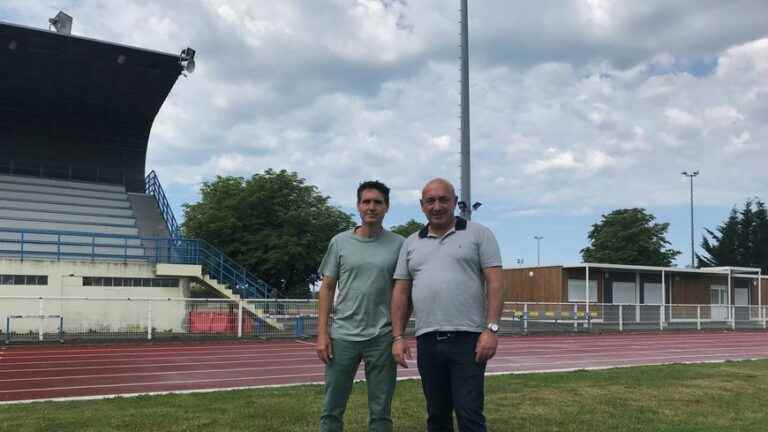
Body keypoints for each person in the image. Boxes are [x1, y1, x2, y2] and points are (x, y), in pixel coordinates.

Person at [390, 178, 503, 432]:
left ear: (454, 202)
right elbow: (401, 292)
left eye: (443, 199)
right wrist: (398, 336)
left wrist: (491, 329)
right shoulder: (410, 243)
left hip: (469, 340)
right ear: (422, 205)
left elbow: (495, 283)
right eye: (430, 201)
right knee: (437, 414)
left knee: (469, 412)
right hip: (428, 341)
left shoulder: (479, 234)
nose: (437, 206)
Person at [316, 180, 405, 432]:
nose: (371, 207)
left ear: (386, 207)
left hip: (382, 337)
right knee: (332, 407)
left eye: (378, 202)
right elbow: (327, 288)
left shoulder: (399, 244)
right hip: (343, 335)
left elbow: (402, 291)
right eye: (366, 202)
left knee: (381, 411)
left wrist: (398, 335)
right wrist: (323, 334)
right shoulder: (340, 242)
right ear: (358, 206)